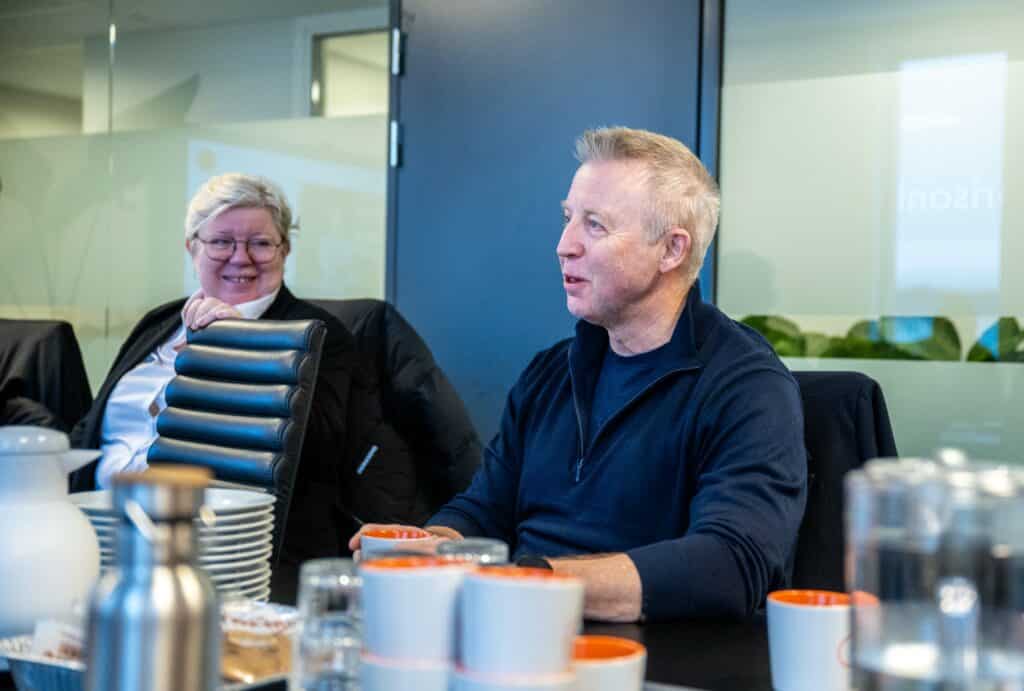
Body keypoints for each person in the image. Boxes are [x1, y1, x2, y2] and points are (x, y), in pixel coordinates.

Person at [351, 127, 807, 623]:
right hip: (516, 624)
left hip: (645, 648)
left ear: (671, 250)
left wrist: (531, 579)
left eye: (595, 225)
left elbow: (729, 564)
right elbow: (485, 509)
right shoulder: (551, 372)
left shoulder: (748, 388)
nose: (564, 245)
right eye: (568, 218)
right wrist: (427, 548)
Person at [69, 173, 441, 568]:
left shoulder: (319, 334)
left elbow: (314, 456)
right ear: (192, 247)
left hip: (218, 550)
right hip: (95, 534)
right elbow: (91, 428)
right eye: (221, 241)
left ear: (285, 250)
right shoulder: (159, 321)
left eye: (260, 243)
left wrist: (239, 345)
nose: (240, 257)